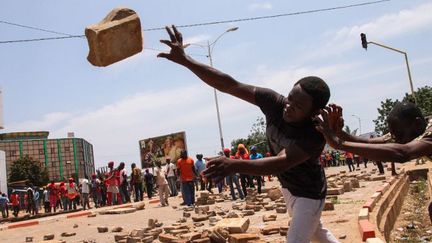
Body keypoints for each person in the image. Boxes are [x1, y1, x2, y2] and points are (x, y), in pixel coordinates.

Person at [158, 25, 338, 242]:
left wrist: (233, 164)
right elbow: (229, 85)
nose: (289, 106)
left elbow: (280, 163)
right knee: (318, 232)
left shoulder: (314, 134)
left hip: (309, 194)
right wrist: (187, 61)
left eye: (298, 106)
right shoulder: (274, 103)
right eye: (290, 97)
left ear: (313, 112)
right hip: (289, 189)